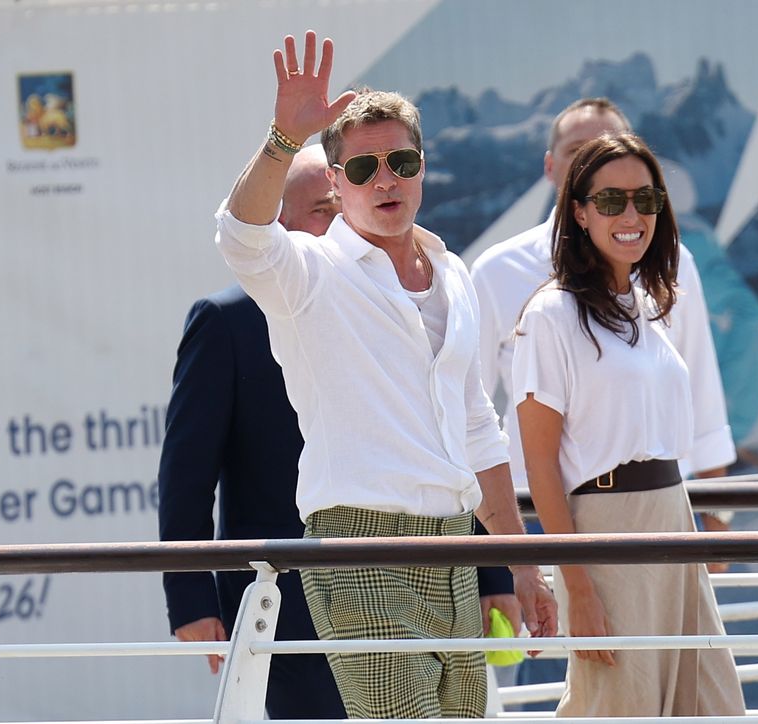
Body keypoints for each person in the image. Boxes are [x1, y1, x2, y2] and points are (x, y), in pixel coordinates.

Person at [213, 31, 555, 719]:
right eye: (363, 168)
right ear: (335, 185)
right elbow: (240, 236)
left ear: (424, 167)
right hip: (359, 544)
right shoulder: (310, 273)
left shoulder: (454, 275)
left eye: (401, 160)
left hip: (456, 546)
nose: (385, 179)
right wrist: (284, 137)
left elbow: (478, 432)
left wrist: (520, 561)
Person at [160, 145, 519, 718]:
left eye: (342, 208)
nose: (342, 222)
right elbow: (187, 473)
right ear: (279, 224)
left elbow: (462, 435)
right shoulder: (225, 321)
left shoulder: (417, 294)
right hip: (284, 594)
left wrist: (498, 570)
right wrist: (190, 598)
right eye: (324, 209)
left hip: (433, 578)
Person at [514, 132, 745, 717]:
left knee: (713, 706)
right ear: (580, 212)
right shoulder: (551, 315)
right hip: (606, 534)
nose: (632, 215)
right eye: (611, 201)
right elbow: (540, 465)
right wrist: (580, 587)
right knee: (622, 708)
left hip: (674, 522)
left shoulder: (646, 305)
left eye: (646, 200)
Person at [470, 99, 735, 535]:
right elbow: (471, 413)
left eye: (609, 150)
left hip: (663, 507)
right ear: (551, 167)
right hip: (533, 514)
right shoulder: (499, 272)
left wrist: (719, 517)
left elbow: (701, 389)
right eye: (580, 150)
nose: (598, 164)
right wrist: (498, 548)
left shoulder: (670, 263)